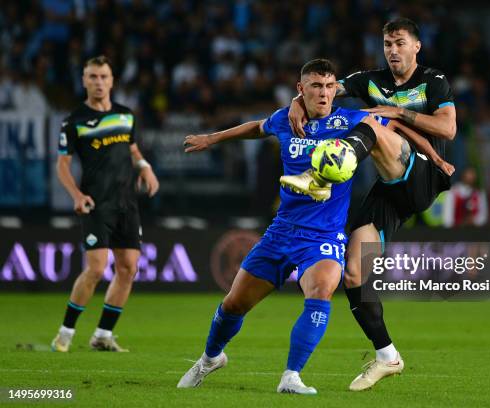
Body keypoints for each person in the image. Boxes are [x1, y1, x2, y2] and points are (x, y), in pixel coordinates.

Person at [176, 59, 453, 394]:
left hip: (324, 237)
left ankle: (291, 376)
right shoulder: (286, 119)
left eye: (329, 86)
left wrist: (435, 159)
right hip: (282, 230)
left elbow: (392, 131)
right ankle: (210, 359)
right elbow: (256, 127)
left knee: (321, 290)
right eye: (316, 87)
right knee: (234, 304)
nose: (324, 93)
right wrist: (212, 138)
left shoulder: (351, 120)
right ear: (301, 90)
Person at [284, 17, 456, 391]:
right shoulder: (369, 80)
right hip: (390, 188)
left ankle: (321, 176)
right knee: (353, 273)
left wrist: (398, 112)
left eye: (399, 43)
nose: (392, 50)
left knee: (375, 123)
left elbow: (447, 129)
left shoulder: (434, 81)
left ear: (416, 46)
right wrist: (297, 102)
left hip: (423, 174)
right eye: (387, 44)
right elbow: (325, 90)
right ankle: (387, 355)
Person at [51, 56, 159, 352]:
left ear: (112, 81)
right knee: (97, 269)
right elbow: (63, 165)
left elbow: (133, 149)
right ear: (84, 80)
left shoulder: (126, 115)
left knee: (128, 268)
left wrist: (145, 167)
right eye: (92, 77)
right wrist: (76, 195)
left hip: (127, 202)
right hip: (96, 203)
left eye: (103, 77)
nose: (98, 82)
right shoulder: (74, 121)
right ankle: (65, 332)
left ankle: (102, 335)